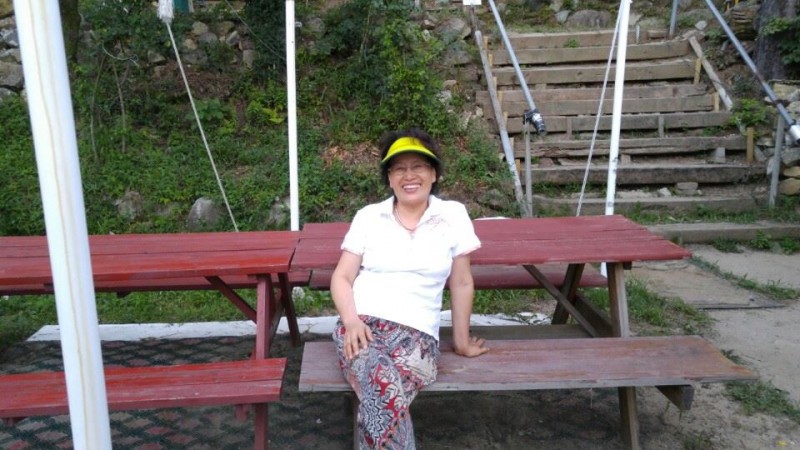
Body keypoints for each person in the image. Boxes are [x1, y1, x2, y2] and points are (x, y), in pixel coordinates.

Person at [330, 128, 489, 449]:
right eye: (399, 168)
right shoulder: (369, 217)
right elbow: (342, 277)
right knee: (380, 380)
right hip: (362, 328)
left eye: (418, 166)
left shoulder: (452, 215)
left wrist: (461, 342)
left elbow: (461, 281)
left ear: (434, 174)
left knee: (381, 390)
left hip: (418, 337)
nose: (409, 175)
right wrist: (351, 321)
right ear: (389, 179)